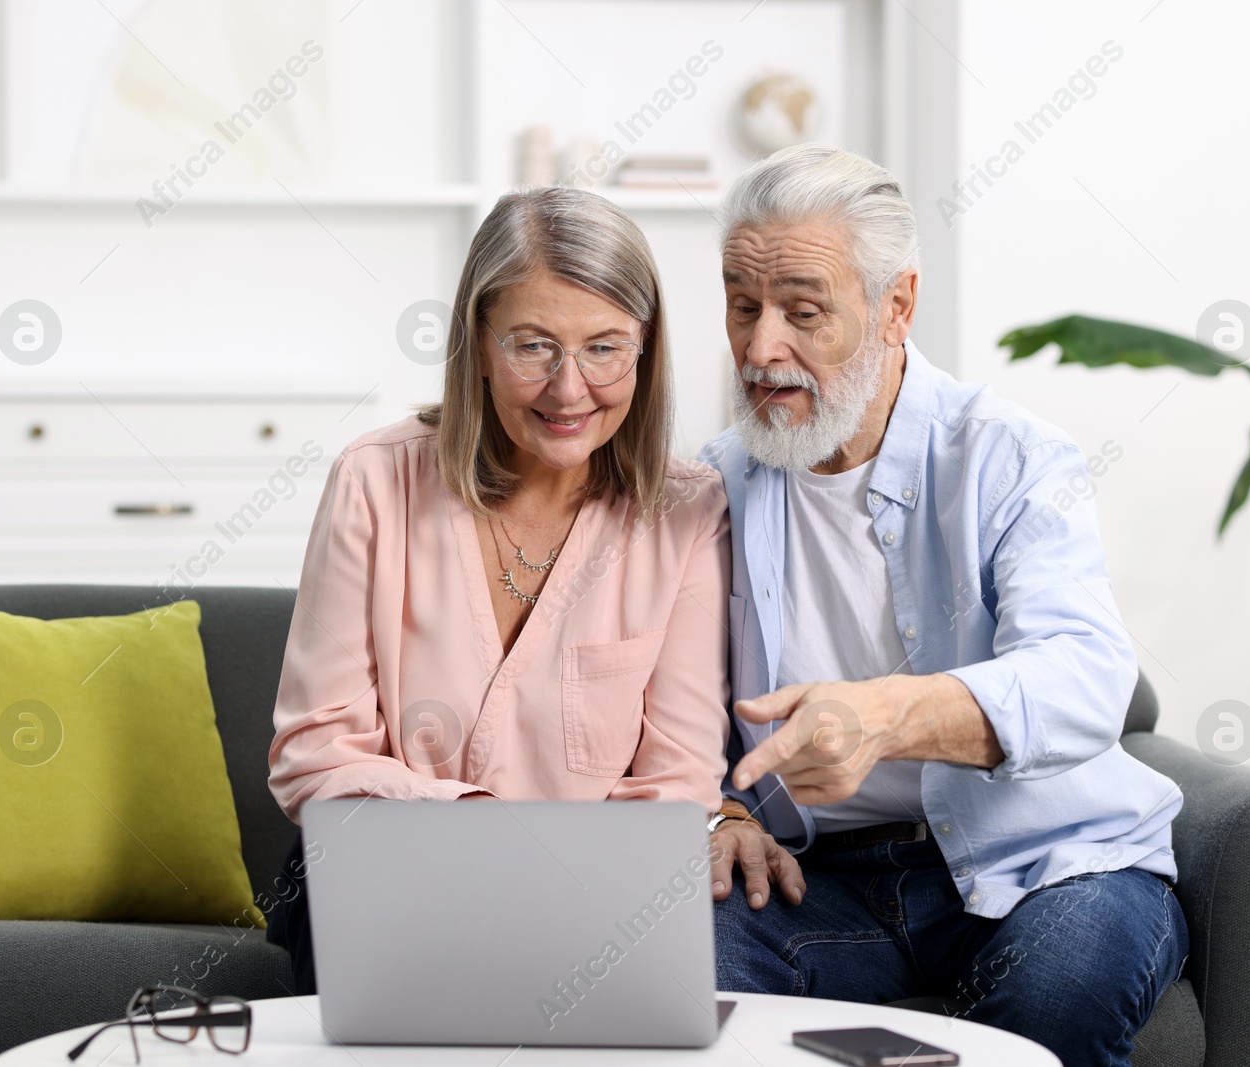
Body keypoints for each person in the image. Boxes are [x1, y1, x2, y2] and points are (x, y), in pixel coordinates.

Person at [698, 144, 1187, 1067]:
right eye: (741, 304)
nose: (763, 348)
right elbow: (662, 708)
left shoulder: (1011, 458)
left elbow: (1086, 678)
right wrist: (720, 814)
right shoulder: (712, 485)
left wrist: (885, 716)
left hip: (1053, 863)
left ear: (897, 307)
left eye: (804, 311)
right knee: (671, 972)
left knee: (1056, 996)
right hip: (821, 879)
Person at [265, 187, 730, 990]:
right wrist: (476, 829)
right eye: (534, 346)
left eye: (605, 348)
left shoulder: (687, 512)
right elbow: (313, 755)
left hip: (591, 905)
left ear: (645, 352)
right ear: (477, 343)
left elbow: (678, 781)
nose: (569, 389)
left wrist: (557, 887)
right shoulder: (375, 482)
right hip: (383, 878)